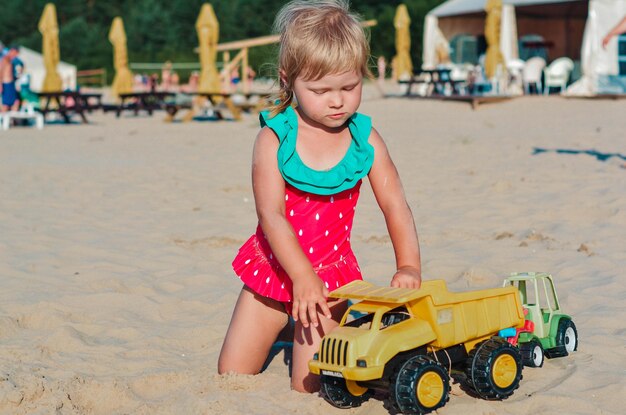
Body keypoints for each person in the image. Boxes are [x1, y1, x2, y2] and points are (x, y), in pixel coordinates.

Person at [218, 0, 422, 394]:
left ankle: (304, 337)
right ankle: (281, 329)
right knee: (232, 374)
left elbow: (395, 204)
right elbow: (272, 216)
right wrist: (300, 277)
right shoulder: (274, 138)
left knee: (309, 387)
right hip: (272, 271)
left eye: (349, 86)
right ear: (288, 79)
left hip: (328, 280)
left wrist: (409, 265)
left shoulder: (366, 140)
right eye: (320, 90)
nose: (337, 100)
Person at [0, 46, 21, 112]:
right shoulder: (5, 59)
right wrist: (0, 84)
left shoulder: (12, 61)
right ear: (12, 51)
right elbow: (1, 71)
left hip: (11, 84)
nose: (16, 55)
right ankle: (4, 120)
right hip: (6, 84)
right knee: (6, 104)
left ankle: (11, 120)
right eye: (15, 53)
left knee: (15, 101)